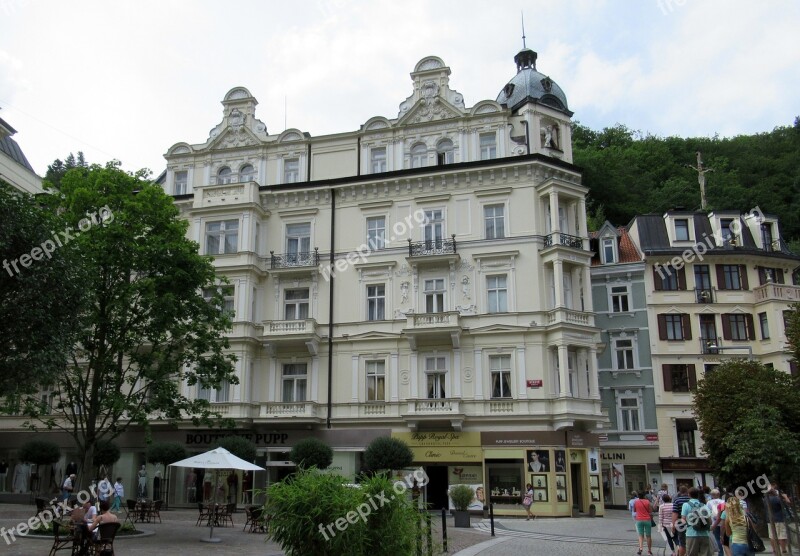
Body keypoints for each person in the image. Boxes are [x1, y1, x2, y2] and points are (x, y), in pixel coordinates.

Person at [681, 486, 713, 556]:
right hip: (705, 534)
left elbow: (683, 520)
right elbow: (710, 521)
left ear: (689, 495)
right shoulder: (704, 505)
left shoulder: (686, 505)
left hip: (691, 534)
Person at [766, 486, 788, 555]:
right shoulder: (777, 499)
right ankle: (783, 550)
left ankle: (774, 550)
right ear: (774, 492)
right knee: (781, 535)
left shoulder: (765, 499)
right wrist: (785, 497)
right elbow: (788, 503)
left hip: (770, 520)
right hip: (779, 519)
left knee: (772, 536)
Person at [672, 485, 692, 556]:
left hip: (680, 523)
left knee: (682, 542)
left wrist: (673, 525)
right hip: (691, 522)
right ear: (687, 491)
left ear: (680, 492)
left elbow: (675, 514)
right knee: (691, 540)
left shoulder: (677, 500)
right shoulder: (690, 500)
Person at [634, 490, 654, 556]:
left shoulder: (636, 502)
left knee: (640, 535)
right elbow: (650, 511)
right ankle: (649, 551)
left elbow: (634, 510)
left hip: (639, 520)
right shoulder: (647, 502)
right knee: (648, 536)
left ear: (638, 496)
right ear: (644, 495)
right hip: (647, 520)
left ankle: (640, 548)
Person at [707, 489, 725, 556]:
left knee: (717, 538)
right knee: (724, 537)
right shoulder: (723, 501)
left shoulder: (709, 502)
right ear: (719, 494)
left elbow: (707, 512)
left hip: (714, 522)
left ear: (712, 495)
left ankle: (721, 553)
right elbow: (723, 511)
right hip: (722, 521)